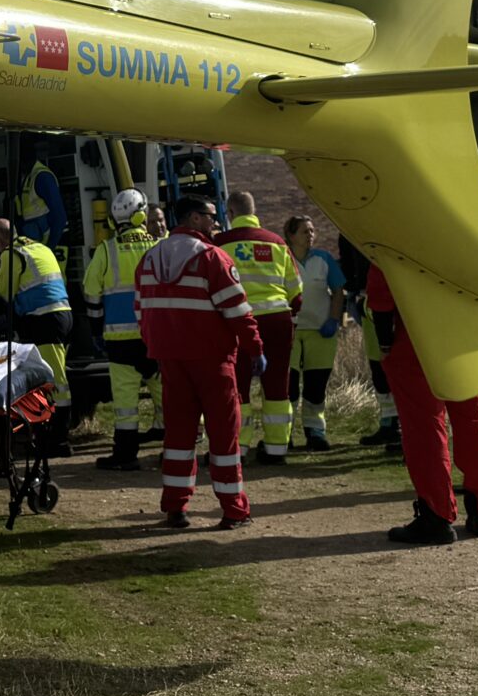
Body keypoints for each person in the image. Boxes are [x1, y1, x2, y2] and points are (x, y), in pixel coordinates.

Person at [135, 197, 262, 529]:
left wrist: (158, 345)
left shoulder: (149, 259)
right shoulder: (212, 257)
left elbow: (141, 311)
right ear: (194, 218)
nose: (216, 222)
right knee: (224, 437)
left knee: (177, 437)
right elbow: (236, 310)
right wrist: (255, 347)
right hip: (212, 359)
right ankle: (234, 510)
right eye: (210, 217)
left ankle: (175, 508)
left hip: (170, 360)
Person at [369, 265, 478, 546]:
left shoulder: (397, 225)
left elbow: (382, 285)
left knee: (424, 425)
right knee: (474, 419)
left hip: (415, 332)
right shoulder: (473, 227)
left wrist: (384, 339)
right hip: (466, 332)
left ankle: (436, 515)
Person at [218, 190, 301, 463]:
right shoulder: (276, 243)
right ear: (254, 213)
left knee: (237, 385)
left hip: (238, 322)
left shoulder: (220, 244)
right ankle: (277, 448)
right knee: (277, 385)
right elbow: (296, 293)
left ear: (230, 214)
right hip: (278, 320)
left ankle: (238, 448)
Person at [84, 190, 162, 471]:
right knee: (166, 393)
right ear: (142, 215)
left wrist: (96, 330)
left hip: (119, 341)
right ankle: (177, 448)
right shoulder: (159, 248)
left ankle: (126, 455)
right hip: (157, 338)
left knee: (126, 403)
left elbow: (91, 294)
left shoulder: (107, 250)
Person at [0, 216, 72, 409]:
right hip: (64, 315)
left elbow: (5, 291)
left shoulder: (10, 254)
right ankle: (55, 420)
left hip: (44, 319)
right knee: (56, 371)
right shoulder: (40, 248)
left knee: (54, 376)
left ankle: (59, 430)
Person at [286, 216, 343, 451]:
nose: (310, 235)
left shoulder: (324, 259)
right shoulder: (283, 257)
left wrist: (334, 319)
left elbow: (339, 290)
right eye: (304, 231)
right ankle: (284, 433)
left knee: (316, 385)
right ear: (290, 236)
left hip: (320, 331)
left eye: (312, 231)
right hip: (290, 330)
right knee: (288, 387)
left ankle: (315, 431)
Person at [340, 237, 401, 448]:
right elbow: (347, 259)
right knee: (379, 368)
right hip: (367, 299)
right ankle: (389, 424)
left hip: (394, 299)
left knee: (397, 368)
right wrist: (353, 291)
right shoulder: (347, 228)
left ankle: (401, 428)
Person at [14, 145, 68, 252]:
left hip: (50, 243)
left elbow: (59, 217)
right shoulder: (28, 177)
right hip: (37, 243)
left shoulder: (42, 177)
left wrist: (50, 248)